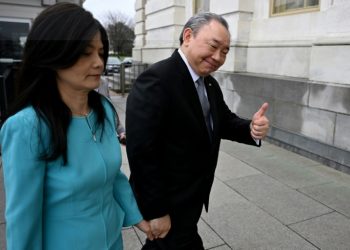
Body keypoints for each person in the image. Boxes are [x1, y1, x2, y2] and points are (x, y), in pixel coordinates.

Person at [0, 3, 152, 250]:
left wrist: (138, 218)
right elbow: (23, 219)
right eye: (84, 52)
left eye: (101, 52)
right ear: (52, 55)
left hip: (112, 241)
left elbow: (113, 175)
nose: (99, 63)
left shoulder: (102, 109)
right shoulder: (27, 127)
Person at [126, 12, 270, 249]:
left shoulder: (208, 83)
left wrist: (251, 129)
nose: (218, 57)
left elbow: (223, 121)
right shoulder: (157, 80)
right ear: (188, 36)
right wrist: (157, 210)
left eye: (225, 51)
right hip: (167, 201)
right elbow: (142, 152)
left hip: (191, 197)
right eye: (214, 46)